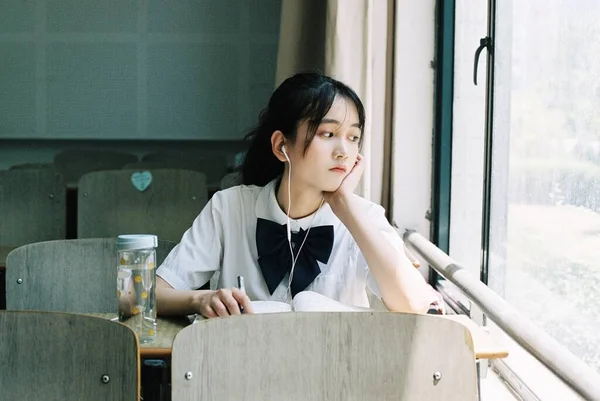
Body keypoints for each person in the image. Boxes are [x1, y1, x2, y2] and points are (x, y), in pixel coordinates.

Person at [155, 72, 435, 318]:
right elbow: (142, 296)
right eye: (327, 134)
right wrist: (201, 298)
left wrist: (345, 205)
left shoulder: (367, 218)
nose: (343, 151)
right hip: (241, 372)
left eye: (353, 137)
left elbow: (415, 304)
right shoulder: (230, 207)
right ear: (281, 146)